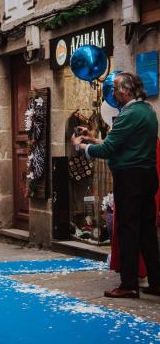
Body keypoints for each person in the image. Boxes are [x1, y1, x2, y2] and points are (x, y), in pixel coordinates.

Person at [72, 72, 160, 298]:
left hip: (130, 178)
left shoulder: (128, 114)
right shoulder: (148, 111)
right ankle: (157, 282)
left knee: (128, 231)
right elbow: (119, 143)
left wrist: (80, 146)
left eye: (115, 89)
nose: (113, 93)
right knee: (147, 231)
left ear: (126, 91)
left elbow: (107, 150)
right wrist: (92, 138)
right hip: (147, 176)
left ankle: (128, 285)